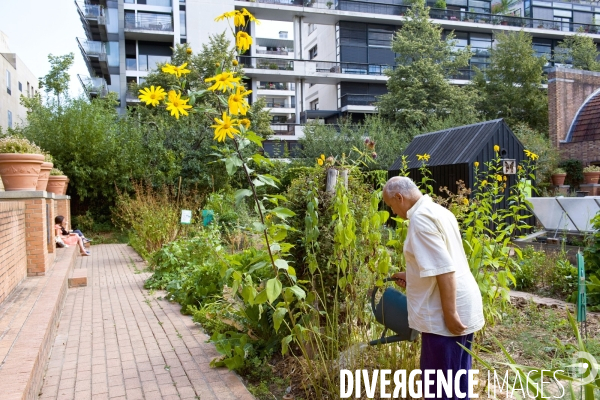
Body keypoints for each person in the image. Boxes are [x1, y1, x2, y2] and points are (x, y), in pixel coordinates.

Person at [382, 176, 484, 400]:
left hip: (445, 313)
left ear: (400, 197)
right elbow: (443, 260)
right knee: (457, 381)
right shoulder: (438, 211)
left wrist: (450, 314)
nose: (393, 211)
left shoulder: (420, 220)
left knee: (441, 388)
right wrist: (412, 276)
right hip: (461, 301)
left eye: (391, 206)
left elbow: (445, 270)